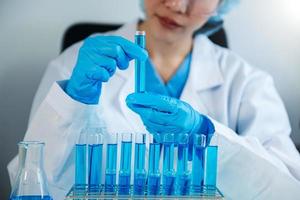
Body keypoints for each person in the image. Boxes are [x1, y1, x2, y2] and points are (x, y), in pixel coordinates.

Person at [8, 0, 300, 199]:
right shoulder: (75, 64)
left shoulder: (247, 82)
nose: (176, 4)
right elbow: (31, 182)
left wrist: (208, 136)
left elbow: (286, 189)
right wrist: (74, 100)